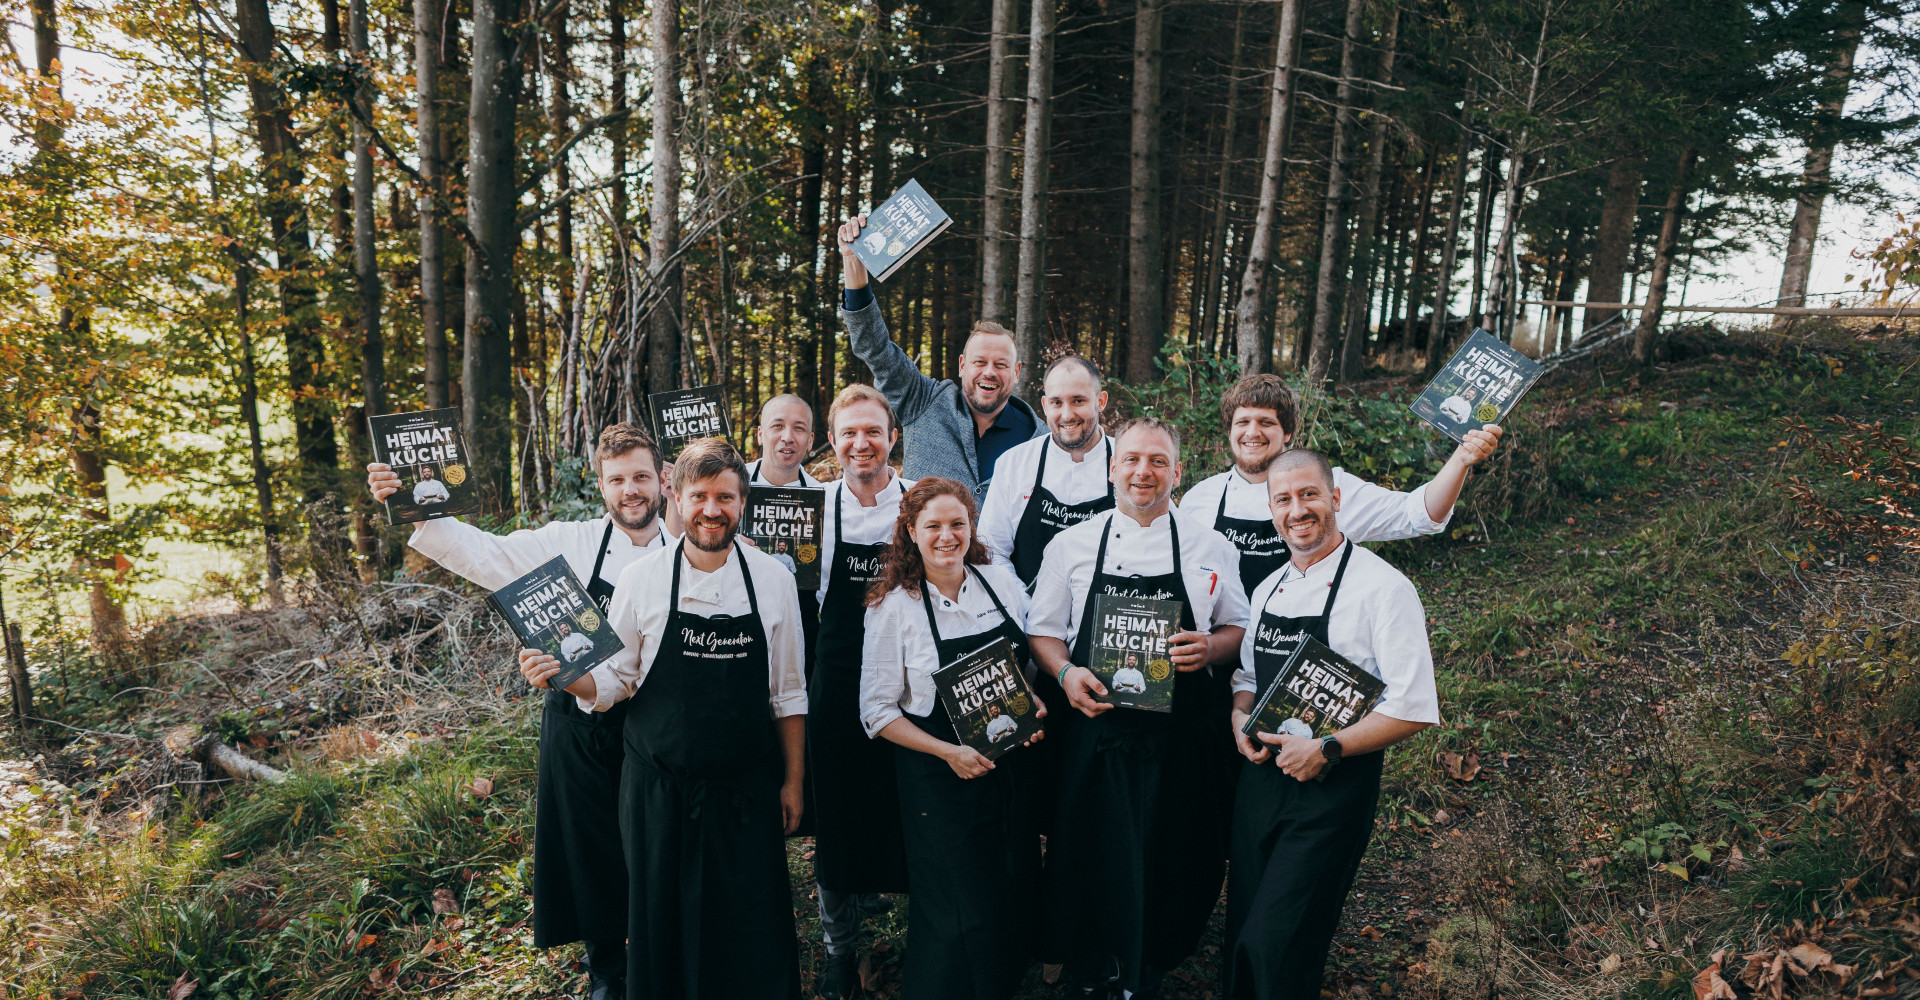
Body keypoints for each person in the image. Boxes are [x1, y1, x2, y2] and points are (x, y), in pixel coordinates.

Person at [367, 422, 671, 1000]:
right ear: (601, 487)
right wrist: (410, 505)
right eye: (616, 480)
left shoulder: (683, 548)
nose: (629, 490)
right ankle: (607, 970)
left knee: (653, 843)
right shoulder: (570, 541)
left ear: (661, 481)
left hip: (651, 721)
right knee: (589, 845)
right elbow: (485, 554)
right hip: (577, 723)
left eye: (640, 477)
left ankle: (659, 960)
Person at [525, 437, 809, 1000]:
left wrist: (793, 781)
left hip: (745, 791)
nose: (711, 509)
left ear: (742, 501)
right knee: (662, 924)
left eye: (725, 497)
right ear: (675, 498)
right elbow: (614, 683)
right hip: (656, 792)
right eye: (699, 496)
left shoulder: (773, 579)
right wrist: (563, 675)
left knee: (749, 925)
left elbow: (789, 692)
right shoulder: (642, 579)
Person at [1026, 417, 1250, 998]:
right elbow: (1043, 633)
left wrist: (1210, 647)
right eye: (1130, 459)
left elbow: (1238, 626)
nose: (1142, 471)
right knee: (1087, 848)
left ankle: (1152, 960)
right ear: (1111, 468)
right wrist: (1067, 672)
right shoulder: (1072, 545)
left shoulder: (1211, 546)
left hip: (1179, 737)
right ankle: (1091, 962)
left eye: (1157, 461)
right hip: (1096, 732)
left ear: (1178, 471)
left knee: (1172, 847)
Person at [1224, 448, 1439, 1000]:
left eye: (1309, 495)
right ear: (1271, 511)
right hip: (1260, 786)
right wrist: (1238, 715)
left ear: (1336, 498)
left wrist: (1329, 747)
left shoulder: (1383, 588)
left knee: (1281, 939)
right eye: (1284, 500)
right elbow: (1247, 674)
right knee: (1242, 932)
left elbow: (1412, 706)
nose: (1297, 510)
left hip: (1331, 791)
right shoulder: (1268, 586)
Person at [860, 477, 1045, 1000]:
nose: (947, 536)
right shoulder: (893, 608)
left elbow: (1025, 662)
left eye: (957, 524)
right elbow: (875, 712)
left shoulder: (999, 582)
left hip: (1007, 766)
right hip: (938, 775)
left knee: (1009, 884)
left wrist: (1030, 700)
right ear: (911, 533)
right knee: (959, 903)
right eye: (933, 526)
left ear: (972, 527)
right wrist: (948, 752)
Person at [1178, 373, 1503, 593]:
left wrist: (1461, 459)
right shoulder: (1200, 499)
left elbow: (1419, 514)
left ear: (1287, 432)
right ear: (1229, 430)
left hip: (1295, 649)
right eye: (1243, 422)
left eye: (1266, 422)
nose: (1252, 432)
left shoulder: (1326, 488)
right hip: (1219, 661)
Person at [811, 384, 914, 999]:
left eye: (872, 430)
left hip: (907, 678)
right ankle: (837, 950)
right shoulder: (815, 507)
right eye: (849, 432)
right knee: (836, 816)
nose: (861, 442)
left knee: (908, 807)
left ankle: (923, 934)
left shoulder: (918, 502)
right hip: (837, 671)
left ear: (892, 437)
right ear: (833, 440)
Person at [835, 215, 1043, 501]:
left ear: (1017, 371)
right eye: (979, 362)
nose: (989, 372)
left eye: (1001, 365)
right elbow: (875, 347)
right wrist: (852, 261)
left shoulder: (1039, 438)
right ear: (962, 366)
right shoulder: (923, 401)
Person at [977, 355, 1114, 587]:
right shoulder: (1014, 464)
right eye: (1056, 402)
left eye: (1078, 400)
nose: (1067, 415)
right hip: (1026, 614)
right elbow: (991, 552)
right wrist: (1027, 607)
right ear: (1044, 405)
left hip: (1105, 616)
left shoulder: (1130, 464)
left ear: (1100, 401)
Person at [748, 393, 825, 487]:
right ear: (760, 435)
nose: (787, 438)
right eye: (778, 426)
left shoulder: (819, 495)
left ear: (810, 440)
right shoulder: (732, 483)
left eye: (798, 428)